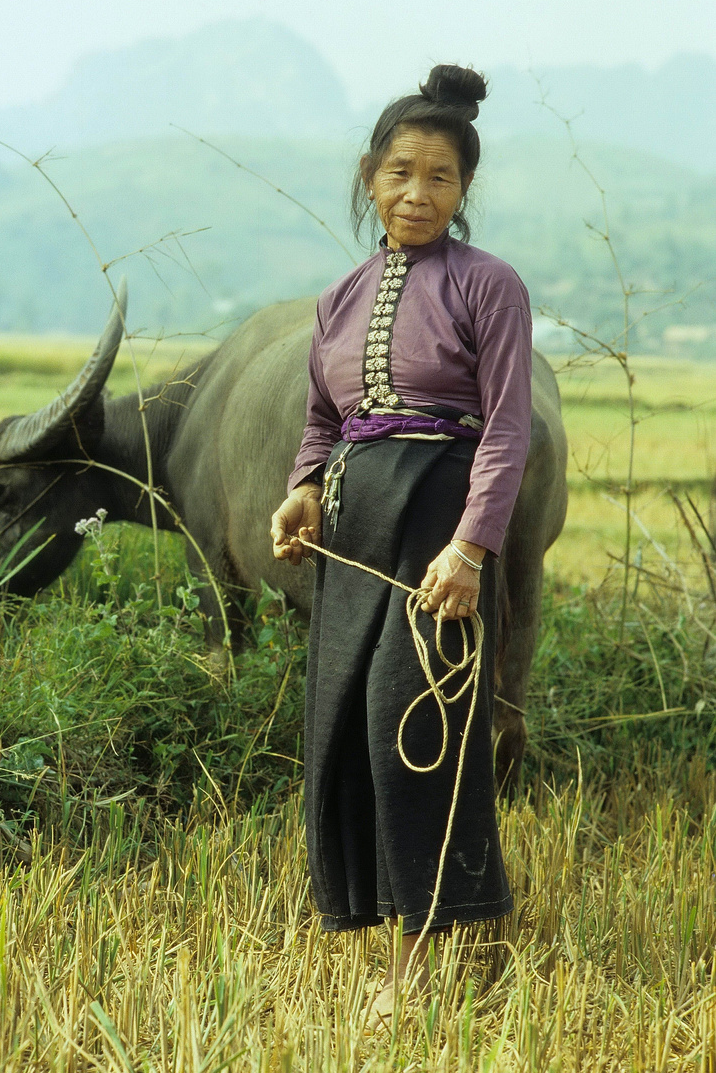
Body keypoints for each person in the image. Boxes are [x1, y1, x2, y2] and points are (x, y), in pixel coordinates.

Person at [270, 64, 532, 1021]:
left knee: (411, 731)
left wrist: (470, 549)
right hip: (354, 525)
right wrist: (302, 494)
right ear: (369, 177)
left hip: (438, 517)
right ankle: (383, 929)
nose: (418, 194)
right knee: (342, 732)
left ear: (464, 192)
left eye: (441, 178)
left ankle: (414, 972)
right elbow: (322, 422)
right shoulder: (338, 297)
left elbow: (507, 430)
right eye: (400, 173)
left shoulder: (490, 286)